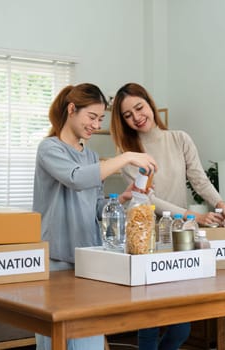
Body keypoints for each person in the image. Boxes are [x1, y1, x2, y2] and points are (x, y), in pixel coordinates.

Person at [110, 82, 225, 350]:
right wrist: (190, 216)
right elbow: (147, 198)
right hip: (147, 240)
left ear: (150, 104)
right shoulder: (129, 155)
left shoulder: (180, 139)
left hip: (180, 239)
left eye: (139, 108)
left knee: (182, 325)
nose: (137, 117)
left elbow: (199, 180)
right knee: (149, 320)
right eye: (128, 115)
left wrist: (222, 205)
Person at [33, 83, 158, 350]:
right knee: (55, 338)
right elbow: (76, 179)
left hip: (87, 257)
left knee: (87, 336)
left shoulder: (90, 155)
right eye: (92, 117)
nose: (96, 124)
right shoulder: (49, 149)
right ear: (71, 110)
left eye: (100, 118)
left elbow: (95, 206)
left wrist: (122, 198)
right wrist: (125, 157)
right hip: (56, 259)